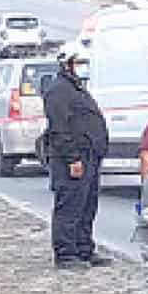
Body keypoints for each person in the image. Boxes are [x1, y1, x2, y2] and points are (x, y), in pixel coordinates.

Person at [44, 42, 111, 270]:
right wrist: (72, 158)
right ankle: (66, 254)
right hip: (71, 159)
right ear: (67, 64)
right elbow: (59, 128)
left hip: (89, 156)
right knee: (70, 207)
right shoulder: (58, 90)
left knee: (87, 206)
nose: (84, 67)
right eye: (80, 63)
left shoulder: (77, 89)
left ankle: (84, 249)